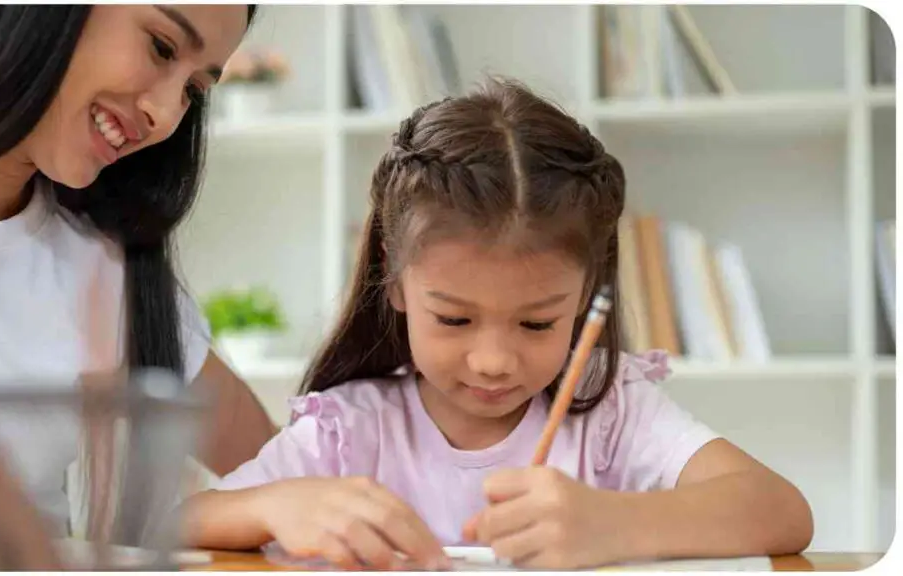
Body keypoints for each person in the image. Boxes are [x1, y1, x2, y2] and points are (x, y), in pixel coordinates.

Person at [180, 78, 815, 570]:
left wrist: (613, 524)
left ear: (588, 293)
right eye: (454, 318)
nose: (493, 361)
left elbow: (781, 511)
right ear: (395, 281)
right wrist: (273, 504)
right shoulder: (352, 432)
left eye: (537, 324)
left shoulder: (611, 412)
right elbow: (170, 525)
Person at [0, 5, 276, 545]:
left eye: (193, 90)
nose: (165, 116)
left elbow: (278, 471)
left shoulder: (102, 263)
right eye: (161, 47)